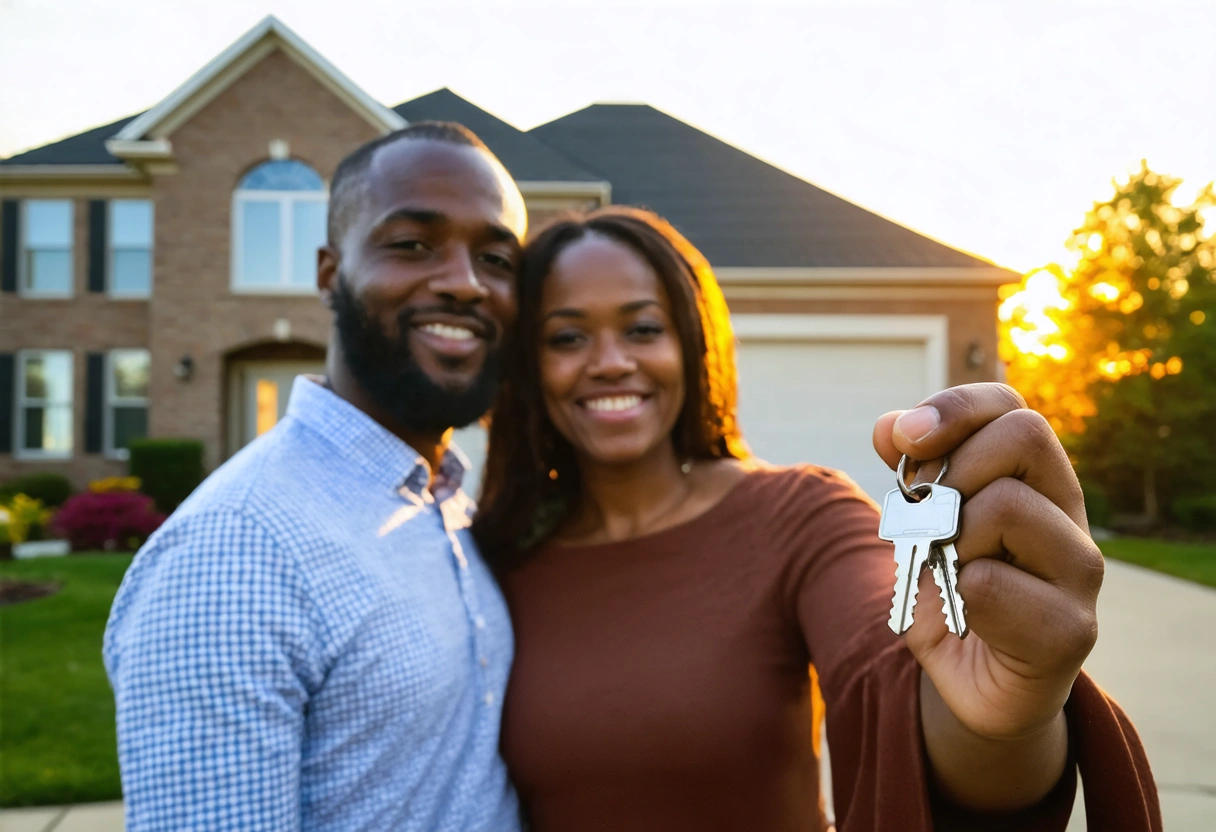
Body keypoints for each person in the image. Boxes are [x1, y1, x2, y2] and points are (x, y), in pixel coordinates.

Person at [472, 206, 1162, 831]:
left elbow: (887, 668)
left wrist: (1004, 718)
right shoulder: (498, 558)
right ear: (529, 367)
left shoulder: (800, 515)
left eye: (643, 328)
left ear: (692, 343)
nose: (610, 362)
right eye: (566, 338)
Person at [104, 123, 528, 831]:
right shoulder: (235, 555)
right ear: (331, 272)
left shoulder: (446, 496)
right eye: (412, 245)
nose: (463, 281)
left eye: (495, 257)